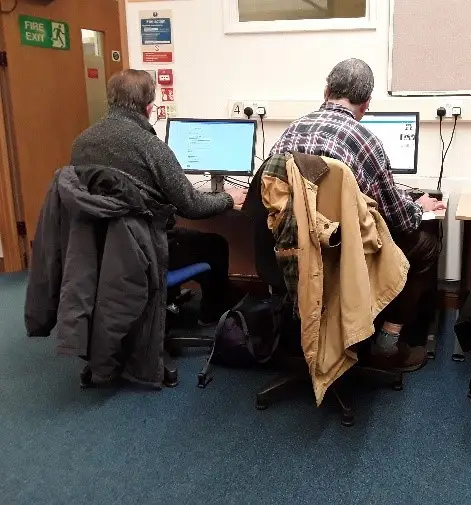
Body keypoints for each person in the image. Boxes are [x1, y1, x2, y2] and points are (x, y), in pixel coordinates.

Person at [269, 58, 445, 372]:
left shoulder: (288, 135)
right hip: (342, 252)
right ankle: (387, 342)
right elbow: (399, 218)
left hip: (296, 250)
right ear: (365, 104)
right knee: (427, 245)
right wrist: (421, 208)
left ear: (326, 91)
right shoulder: (365, 141)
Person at [71, 69, 247, 325]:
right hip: (146, 250)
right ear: (149, 107)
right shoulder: (151, 147)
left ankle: (164, 304)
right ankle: (212, 314)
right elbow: (192, 206)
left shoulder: (81, 143)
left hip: (98, 247)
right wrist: (228, 198)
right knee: (215, 245)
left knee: (185, 237)